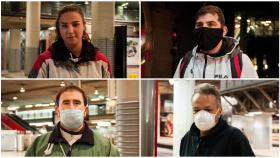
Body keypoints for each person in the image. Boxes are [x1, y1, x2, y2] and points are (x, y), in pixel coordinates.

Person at [25, 85, 119, 156]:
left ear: (85, 110)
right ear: (57, 110)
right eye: (66, 103)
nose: (71, 107)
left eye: (77, 103)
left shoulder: (106, 147)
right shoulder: (38, 145)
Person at [173, 5, 258, 78]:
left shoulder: (241, 61)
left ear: (224, 31)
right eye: (199, 25)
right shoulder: (185, 61)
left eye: (210, 24)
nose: (204, 28)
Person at [28, 5, 111, 78]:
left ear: (84, 26)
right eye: (64, 26)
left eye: (75, 24)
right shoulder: (44, 61)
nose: (70, 31)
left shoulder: (101, 61)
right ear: (59, 29)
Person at [180, 83, 255, 156]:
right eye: (196, 110)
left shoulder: (235, 138)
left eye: (208, 110)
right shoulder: (187, 139)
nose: (201, 115)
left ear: (219, 111)